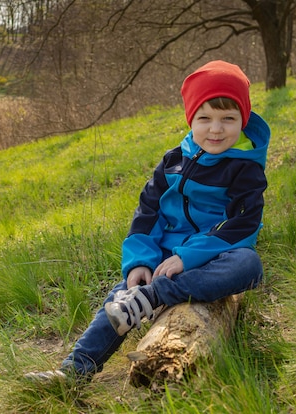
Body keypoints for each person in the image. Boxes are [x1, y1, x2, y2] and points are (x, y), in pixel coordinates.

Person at [24, 60, 271, 384]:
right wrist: (140, 261)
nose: (216, 129)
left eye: (228, 119)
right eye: (205, 118)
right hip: (162, 259)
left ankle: (156, 296)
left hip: (212, 257)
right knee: (118, 298)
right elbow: (147, 212)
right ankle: (74, 371)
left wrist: (187, 258)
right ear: (190, 119)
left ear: (243, 120)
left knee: (249, 264)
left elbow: (244, 223)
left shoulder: (245, 169)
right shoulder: (172, 162)